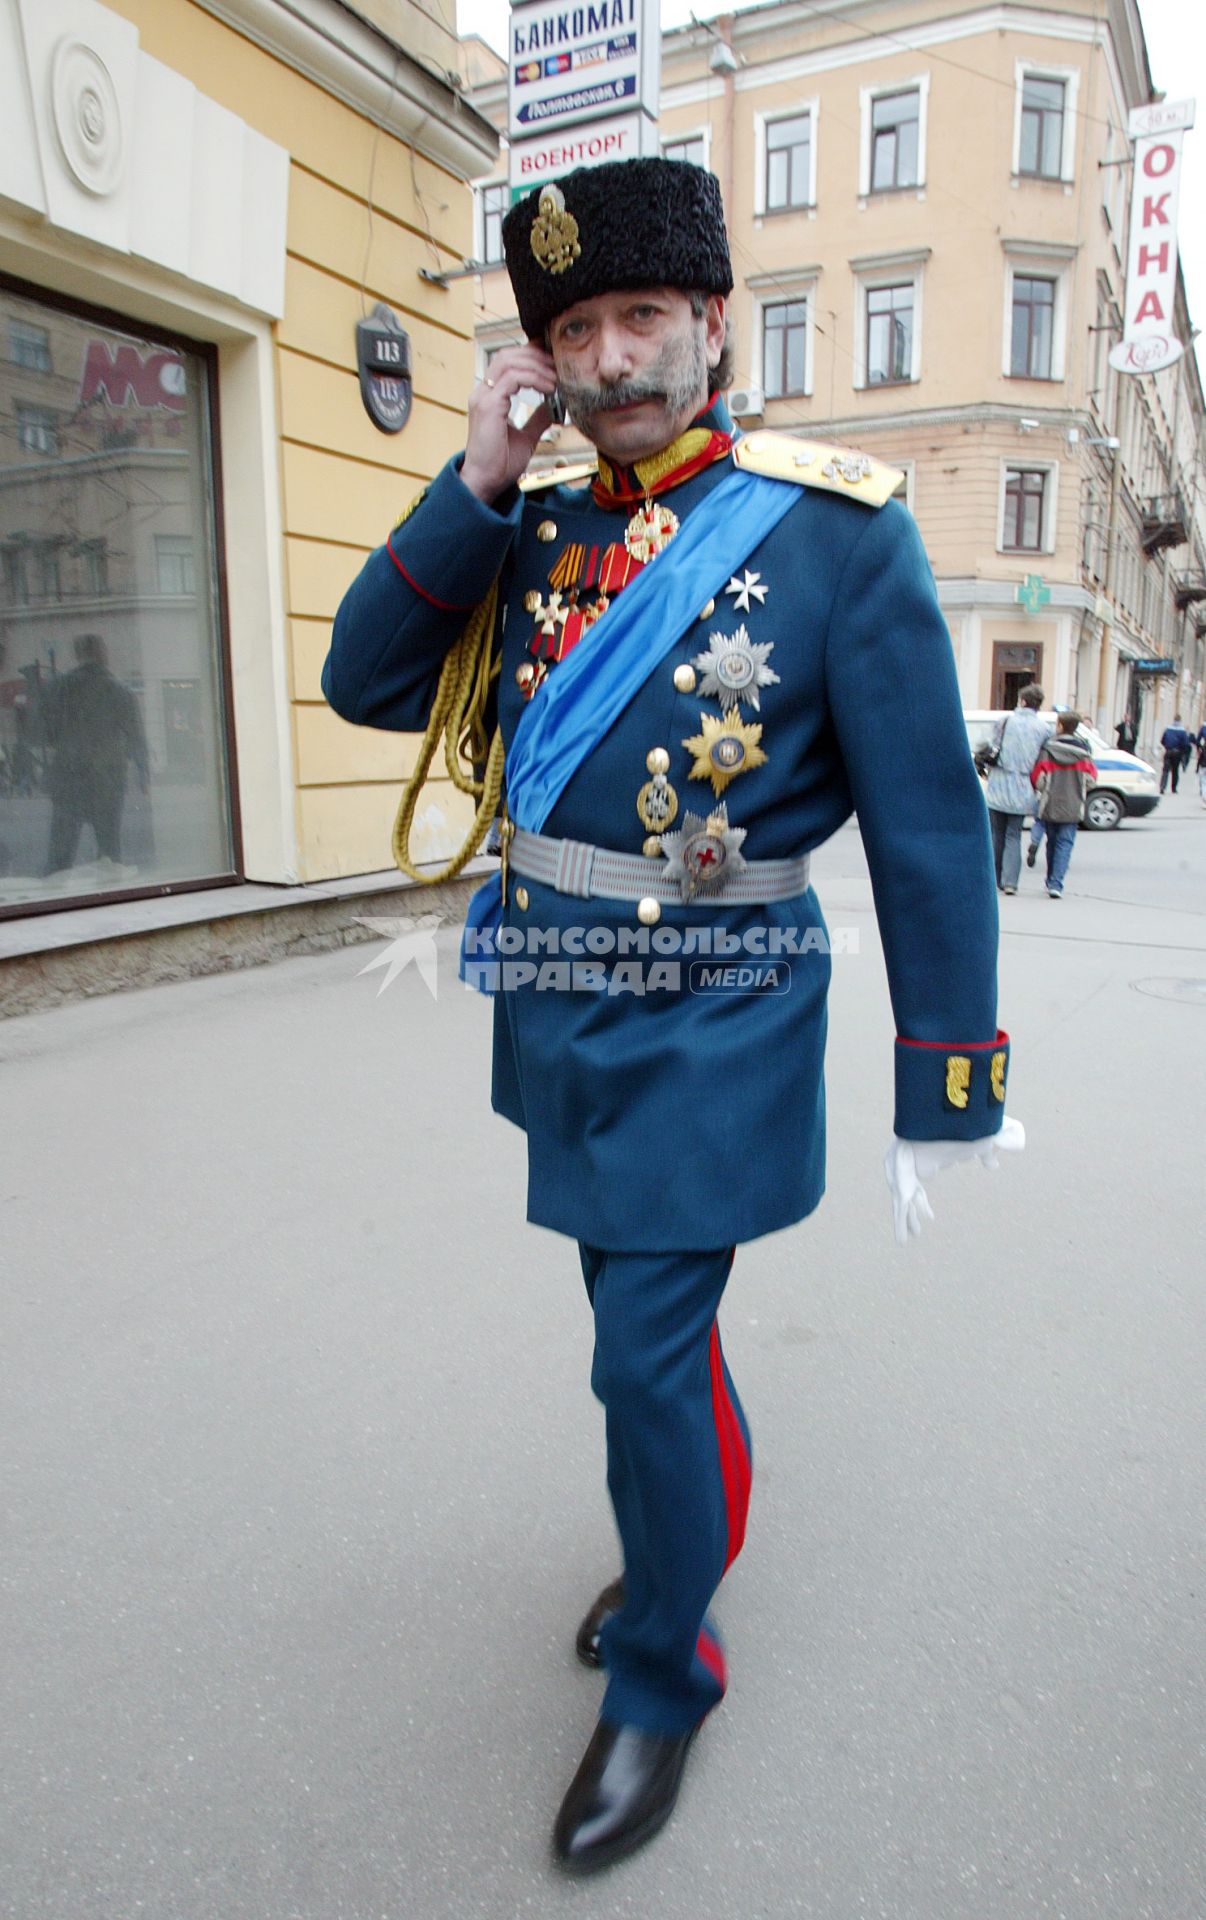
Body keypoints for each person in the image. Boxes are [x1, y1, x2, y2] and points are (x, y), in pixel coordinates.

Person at [324, 158, 1022, 1875]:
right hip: (562, 1006)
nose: (613, 359)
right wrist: (475, 471)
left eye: (643, 315)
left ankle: (665, 1669)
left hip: (719, 1017)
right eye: (575, 328)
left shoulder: (831, 530)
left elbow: (931, 826)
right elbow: (362, 680)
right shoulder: (534, 517)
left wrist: (946, 1075)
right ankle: (671, 1541)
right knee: (649, 1339)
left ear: (714, 320)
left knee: (638, 1350)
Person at [42, 633, 148, 877]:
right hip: (106, 778)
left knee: (60, 851)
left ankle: (54, 899)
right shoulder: (118, 690)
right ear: (101, 653)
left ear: (78, 654)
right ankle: (108, 897)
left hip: (68, 776)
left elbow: (46, 732)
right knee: (109, 850)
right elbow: (135, 736)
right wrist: (142, 772)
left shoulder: (58, 687)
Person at [983, 685, 1048, 893]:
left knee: (996, 833)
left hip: (999, 783)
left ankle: (995, 879)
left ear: (1022, 701)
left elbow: (990, 745)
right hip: (1023, 786)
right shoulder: (1044, 728)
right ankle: (1010, 882)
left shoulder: (1005, 721)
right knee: (1014, 834)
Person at [1028, 712, 1096, 897]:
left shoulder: (1048, 750)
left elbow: (1038, 778)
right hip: (1073, 804)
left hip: (1050, 803)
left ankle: (1049, 879)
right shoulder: (1084, 753)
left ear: (1059, 726)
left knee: (1052, 842)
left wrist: (1044, 788)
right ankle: (1056, 884)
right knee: (1065, 844)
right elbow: (1091, 780)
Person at [1159, 716, 1190, 793]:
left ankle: (1162, 787)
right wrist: (1182, 752)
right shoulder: (1182, 731)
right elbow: (1185, 743)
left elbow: (1162, 740)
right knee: (1175, 771)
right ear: (1180, 721)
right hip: (1177, 753)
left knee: (1165, 770)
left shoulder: (1168, 729)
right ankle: (1174, 788)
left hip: (1168, 751)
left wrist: (1167, 746)